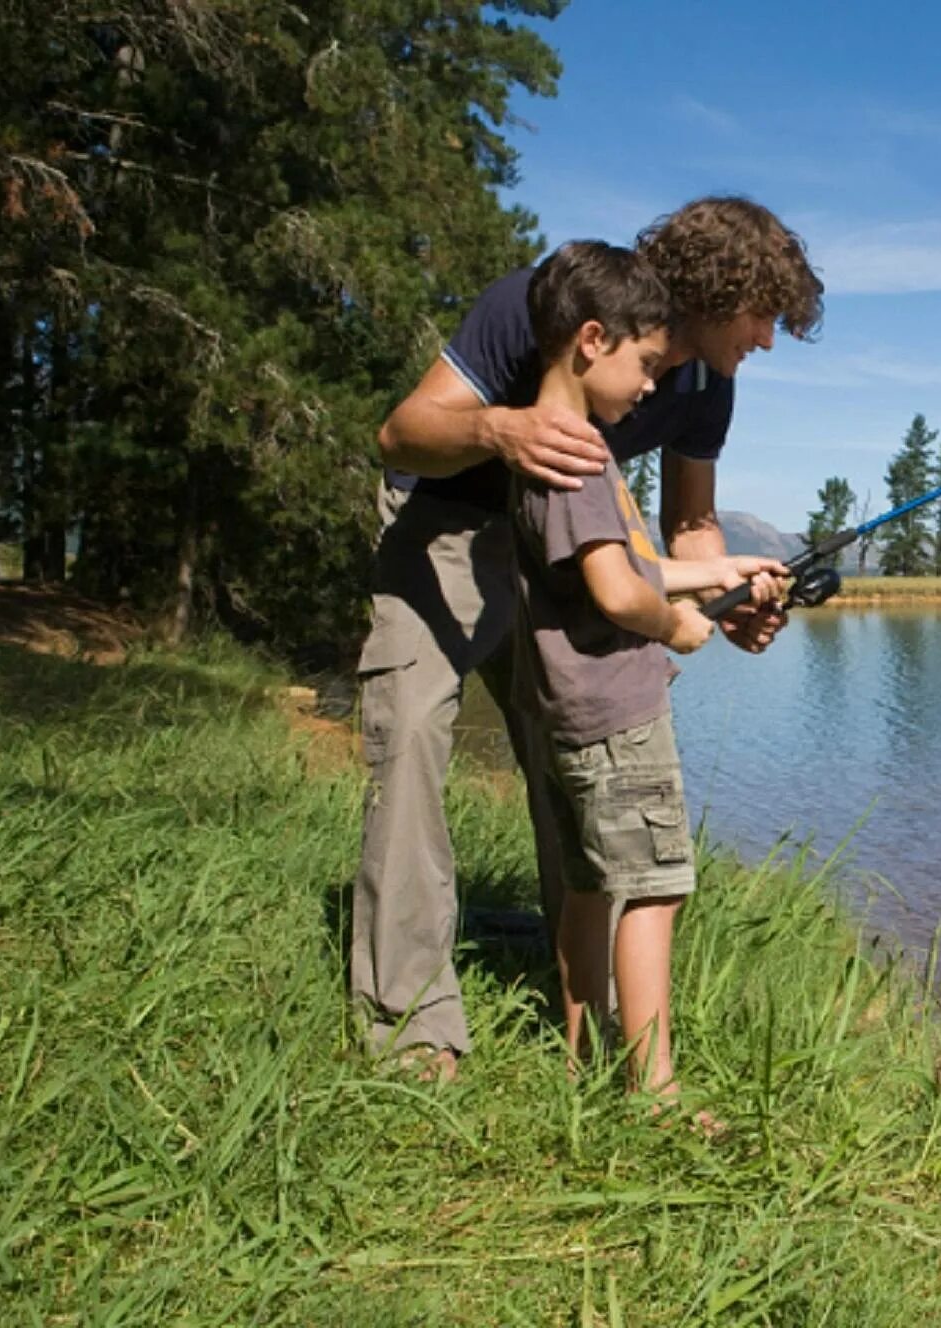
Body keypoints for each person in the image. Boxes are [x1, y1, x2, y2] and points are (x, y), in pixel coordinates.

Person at [353, 197, 822, 1080]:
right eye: (763, 313)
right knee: (411, 730)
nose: (766, 338)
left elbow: (692, 524)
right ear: (717, 290)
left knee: (566, 752)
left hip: (568, 552)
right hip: (446, 522)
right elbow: (400, 432)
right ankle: (408, 1020)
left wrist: (729, 601)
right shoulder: (532, 307)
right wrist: (502, 427)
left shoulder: (705, 384)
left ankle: (575, 997)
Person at [511, 240, 784, 1099]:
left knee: (592, 886)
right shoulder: (588, 457)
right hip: (619, 710)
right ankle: (654, 1094)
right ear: (591, 341)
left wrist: (717, 573)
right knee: (656, 894)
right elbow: (615, 586)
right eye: (643, 365)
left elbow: (624, 562)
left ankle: (580, 1053)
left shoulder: (545, 453)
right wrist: (674, 624)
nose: (648, 391)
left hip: (567, 709)